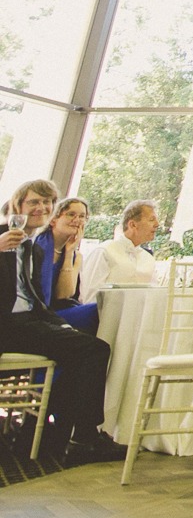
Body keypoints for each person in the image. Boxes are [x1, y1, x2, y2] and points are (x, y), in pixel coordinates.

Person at [0, 180, 122, 464]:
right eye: (34, 202)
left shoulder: (34, 248)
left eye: (47, 203)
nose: (41, 208)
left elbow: (36, 299)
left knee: (84, 349)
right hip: (7, 325)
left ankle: (55, 432)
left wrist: (59, 324)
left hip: (28, 322)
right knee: (94, 349)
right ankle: (84, 438)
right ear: (18, 206)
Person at [32, 197, 100, 333]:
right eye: (71, 214)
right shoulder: (36, 247)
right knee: (96, 312)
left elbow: (64, 294)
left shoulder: (76, 256)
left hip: (59, 310)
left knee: (104, 309)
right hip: (38, 312)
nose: (77, 220)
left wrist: (69, 252)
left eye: (82, 216)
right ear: (53, 220)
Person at [82, 201, 162, 292]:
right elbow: (89, 295)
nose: (157, 224)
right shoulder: (104, 251)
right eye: (151, 220)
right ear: (132, 225)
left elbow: (153, 295)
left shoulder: (149, 259)